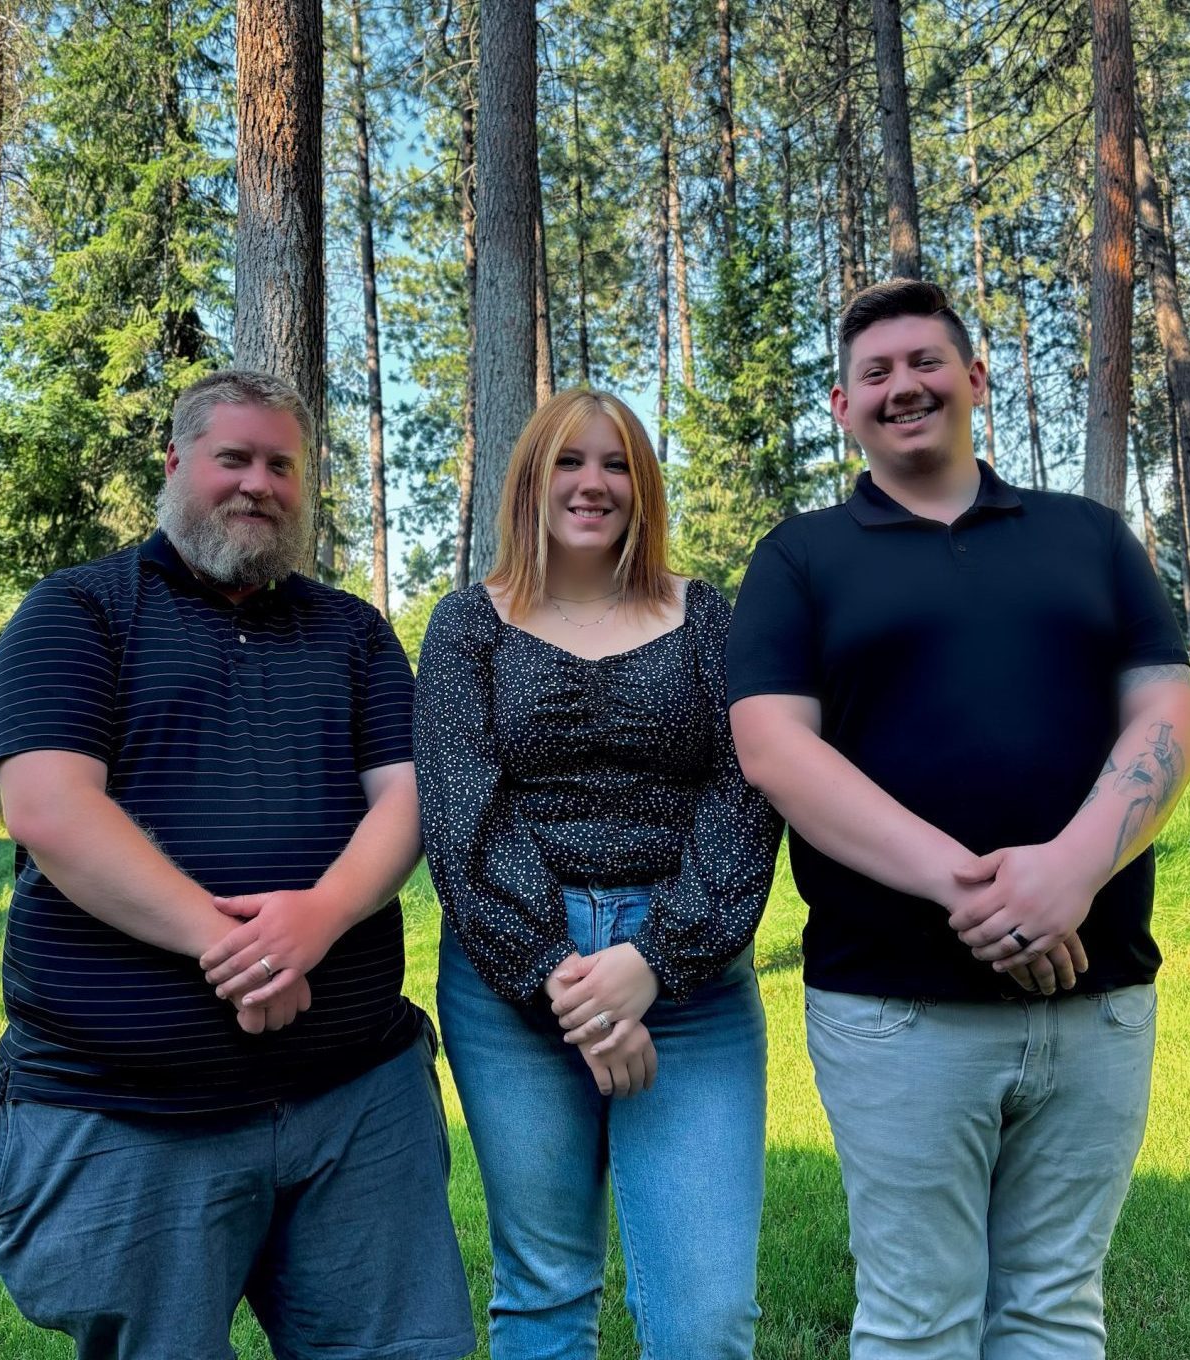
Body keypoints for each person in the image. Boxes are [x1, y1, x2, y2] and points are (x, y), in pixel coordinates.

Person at [726, 279, 1190, 1360]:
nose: (904, 386)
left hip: (1100, 999)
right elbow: (773, 747)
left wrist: (1070, 872)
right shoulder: (799, 558)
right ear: (842, 409)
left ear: (975, 380)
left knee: (1054, 1306)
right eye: (874, 373)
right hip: (897, 1014)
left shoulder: (1088, 536)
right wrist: (974, 888)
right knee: (917, 1319)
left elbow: (1166, 712)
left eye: (925, 362)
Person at [0, 370, 474, 1360]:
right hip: (129, 1110)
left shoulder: (354, 632)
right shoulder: (79, 612)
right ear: (175, 465)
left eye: (281, 464)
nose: (259, 484)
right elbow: (50, 807)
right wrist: (233, 947)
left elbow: (410, 797)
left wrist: (318, 919)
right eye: (233, 459)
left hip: (355, 1101)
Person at [414, 388, 781, 1360]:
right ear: (530, 478)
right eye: (568, 461)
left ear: (643, 483)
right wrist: (555, 971)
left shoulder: (707, 617)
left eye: (615, 462)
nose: (592, 482)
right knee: (542, 1292)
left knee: (705, 1320)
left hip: (690, 987)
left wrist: (654, 956)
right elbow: (460, 810)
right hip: (509, 988)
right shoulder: (467, 626)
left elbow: (748, 787)